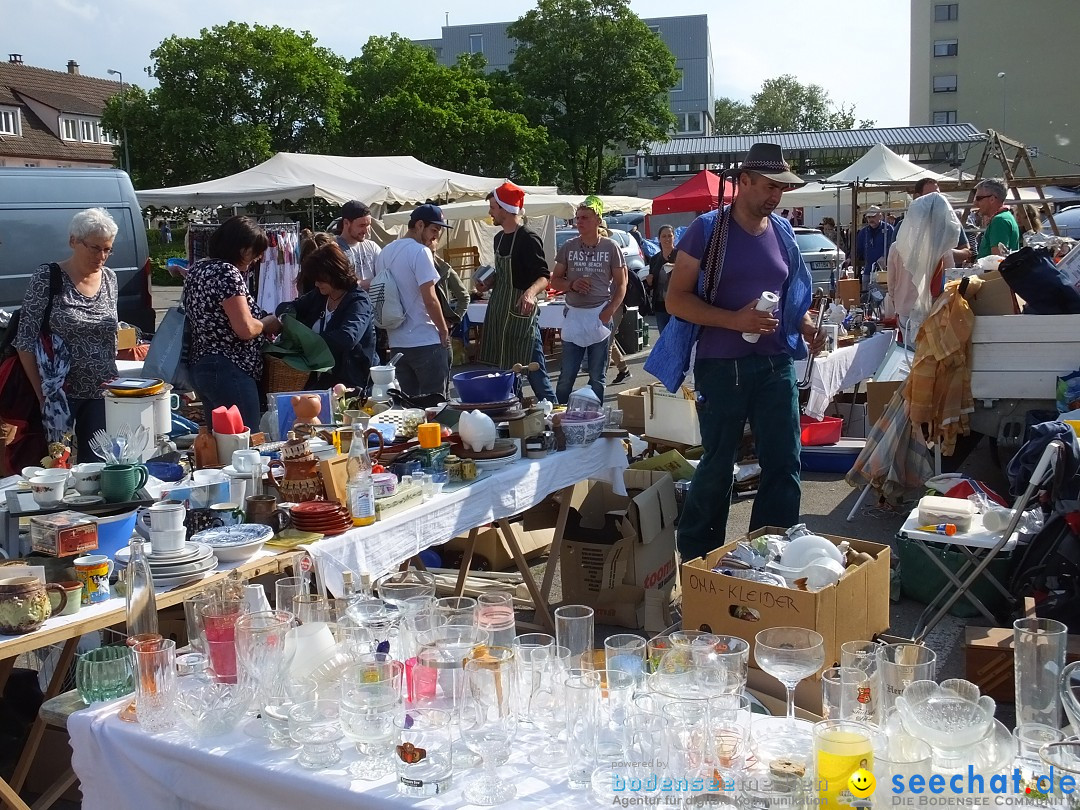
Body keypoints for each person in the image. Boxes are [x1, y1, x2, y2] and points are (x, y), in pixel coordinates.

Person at [664, 142, 823, 561]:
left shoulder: (783, 231)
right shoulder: (706, 229)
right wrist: (735, 320)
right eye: (770, 186)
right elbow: (676, 300)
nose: (776, 196)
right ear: (744, 182)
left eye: (782, 188)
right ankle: (700, 564)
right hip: (722, 365)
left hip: (776, 362)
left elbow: (790, 295)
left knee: (785, 464)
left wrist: (805, 324)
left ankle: (771, 556)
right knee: (718, 468)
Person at [15, 208, 121, 462]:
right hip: (60, 394)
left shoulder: (110, 279)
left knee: (98, 468)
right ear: (73, 241)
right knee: (58, 466)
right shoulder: (48, 277)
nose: (102, 256)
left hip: (102, 392)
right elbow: (24, 340)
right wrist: (42, 394)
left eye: (108, 249)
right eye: (95, 248)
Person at [183, 216, 282, 432]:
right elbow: (245, 329)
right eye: (255, 251)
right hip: (230, 367)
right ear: (242, 248)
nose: (257, 258)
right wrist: (266, 324)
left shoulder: (198, 269)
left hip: (202, 366)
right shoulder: (227, 272)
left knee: (221, 443)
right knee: (244, 441)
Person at [476, 182, 557, 403]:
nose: (490, 212)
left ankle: (557, 417)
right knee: (505, 374)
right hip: (500, 312)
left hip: (521, 313)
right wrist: (488, 282)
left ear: (504, 208)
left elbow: (544, 276)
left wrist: (530, 293)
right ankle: (514, 417)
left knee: (535, 372)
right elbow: (503, 275)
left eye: (493, 207)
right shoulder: (498, 238)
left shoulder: (528, 239)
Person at [550, 196, 627, 403]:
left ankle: (594, 420)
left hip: (599, 314)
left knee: (597, 377)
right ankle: (559, 420)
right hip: (574, 315)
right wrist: (571, 285)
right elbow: (554, 280)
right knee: (566, 377)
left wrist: (609, 312)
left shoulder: (611, 247)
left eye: (584, 217)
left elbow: (622, 284)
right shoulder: (569, 246)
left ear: (598, 220)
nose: (579, 222)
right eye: (577, 218)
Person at [374, 203, 452, 397]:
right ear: (419, 225)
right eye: (434, 229)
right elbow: (430, 299)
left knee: (409, 410)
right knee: (436, 408)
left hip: (397, 344)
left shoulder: (385, 252)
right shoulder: (420, 252)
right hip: (426, 341)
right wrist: (443, 331)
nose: (437, 236)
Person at [277, 241, 376, 391]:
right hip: (323, 382)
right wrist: (286, 317)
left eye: (320, 279)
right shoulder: (320, 296)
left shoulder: (358, 301)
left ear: (335, 273)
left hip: (353, 384)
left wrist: (307, 341)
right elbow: (286, 307)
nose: (316, 283)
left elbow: (347, 338)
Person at [910, 178, 972, 265]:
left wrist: (946, 253)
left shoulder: (951, 223)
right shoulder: (905, 226)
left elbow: (967, 252)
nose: (936, 199)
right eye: (930, 195)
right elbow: (896, 254)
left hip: (947, 276)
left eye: (938, 195)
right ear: (917, 197)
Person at [336, 200, 381, 290]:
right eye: (361, 225)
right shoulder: (335, 248)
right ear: (346, 223)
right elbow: (342, 285)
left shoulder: (372, 246)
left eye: (368, 225)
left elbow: (385, 277)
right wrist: (375, 282)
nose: (366, 230)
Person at [973, 179, 1021, 258]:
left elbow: (998, 261)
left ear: (992, 199)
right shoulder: (1006, 217)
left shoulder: (999, 221)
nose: (975, 203)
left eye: (978, 198)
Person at [646, 225, 678, 335]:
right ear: (659, 239)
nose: (667, 239)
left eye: (670, 235)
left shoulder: (680, 256)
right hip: (660, 305)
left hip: (677, 304)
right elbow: (651, 286)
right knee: (663, 338)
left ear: (674, 237)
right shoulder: (655, 259)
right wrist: (649, 282)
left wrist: (675, 267)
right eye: (664, 236)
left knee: (676, 337)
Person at [855, 205, 895, 288]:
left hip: (884, 271)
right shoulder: (864, 232)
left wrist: (885, 256)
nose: (870, 220)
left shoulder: (889, 229)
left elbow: (894, 247)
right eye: (869, 217)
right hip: (868, 270)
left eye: (873, 217)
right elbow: (857, 249)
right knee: (866, 295)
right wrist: (849, 258)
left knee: (883, 295)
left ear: (880, 216)